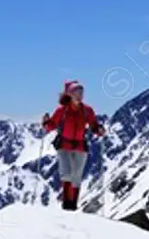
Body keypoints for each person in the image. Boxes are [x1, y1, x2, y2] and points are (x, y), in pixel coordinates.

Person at [42, 80, 106, 211]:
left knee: (76, 177)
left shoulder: (87, 110)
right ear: (69, 94)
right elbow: (52, 125)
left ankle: (73, 205)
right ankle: (67, 205)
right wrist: (46, 123)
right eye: (76, 92)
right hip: (64, 145)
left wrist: (99, 130)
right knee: (67, 174)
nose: (80, 94)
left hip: (80, 146)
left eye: (81, 91)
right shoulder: (62, 110)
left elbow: (93, 125)